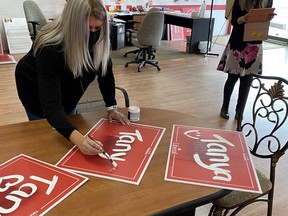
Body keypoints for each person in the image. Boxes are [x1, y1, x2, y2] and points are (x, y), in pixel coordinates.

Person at [15, 0, 129, 155]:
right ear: (73, 26)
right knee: (46, 137)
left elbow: (105, 74)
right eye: (88, 28)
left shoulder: (99, 41)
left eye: (98, 28)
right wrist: (79, 140)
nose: (93, 33)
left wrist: (111, 107)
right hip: (33, 86)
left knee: (69, 113)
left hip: (68, 79)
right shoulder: (50, 49)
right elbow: (51, 107)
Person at [218, 0, 274, 119]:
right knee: (232, 77)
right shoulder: (240, 1)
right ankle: (225, 107)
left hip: (255, 42)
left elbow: (265, 21)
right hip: (238, 42)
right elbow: (234, 21)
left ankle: (240, 110)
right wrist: (243, 18)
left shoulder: (267, 1)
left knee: (247, 80)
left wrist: (269, 18)